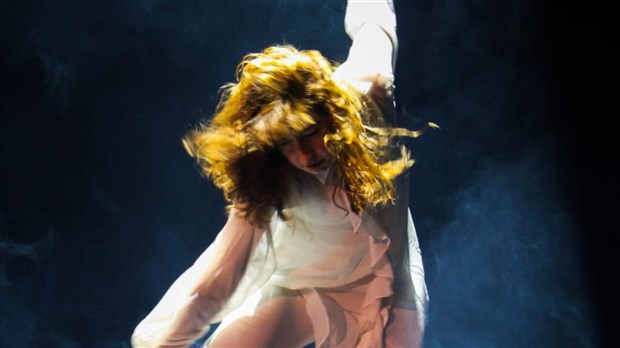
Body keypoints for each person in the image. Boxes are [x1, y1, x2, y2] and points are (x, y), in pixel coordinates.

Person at [132, 0, 432, 347]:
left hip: (386, 290)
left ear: (330, 113)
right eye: (286, 143)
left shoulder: (370, 93)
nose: (303, 154)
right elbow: (219, 276)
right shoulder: (267, 175)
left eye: (308, 133)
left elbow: (375, 24)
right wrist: (166, 342)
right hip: (298, 287)